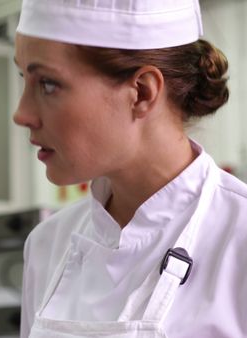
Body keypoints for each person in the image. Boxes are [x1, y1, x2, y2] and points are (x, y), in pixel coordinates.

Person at [13, 0, 246, 337]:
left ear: (141, 92)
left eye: (48, 84)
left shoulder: (239, 237)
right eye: (24, 78)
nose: (22, 114)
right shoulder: (48, 244)